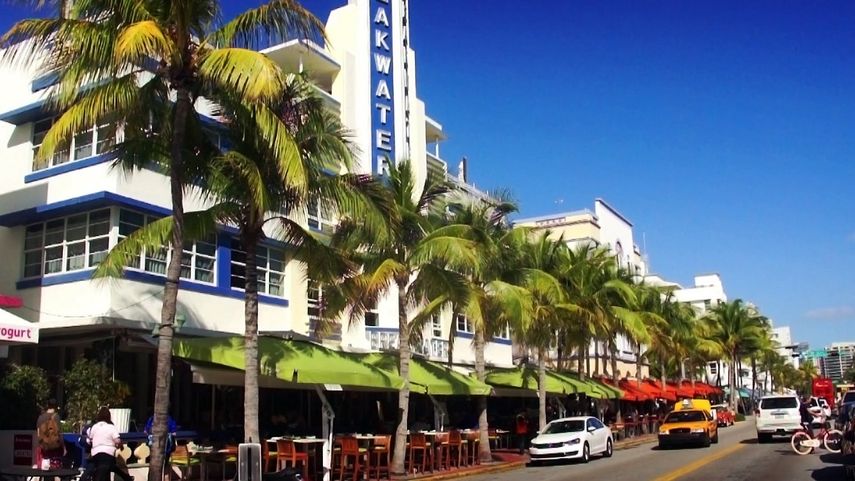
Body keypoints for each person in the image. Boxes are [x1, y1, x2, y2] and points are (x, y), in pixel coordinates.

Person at [85, 407, 133, 481]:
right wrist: (121, 447)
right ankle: (127, 478)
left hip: (96, 454)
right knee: (109, 468)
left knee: (102, 471)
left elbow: (90, 440)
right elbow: (117, 440)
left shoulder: (95, 427)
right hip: (108, 454)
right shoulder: (111, 427)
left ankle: (127, 478)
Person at [36, 399, 65, 469]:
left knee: (43, 470)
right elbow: (59, 433)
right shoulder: (56, 417)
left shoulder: (40, 417)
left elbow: (38, 433)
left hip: (44, 448)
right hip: (55, 448)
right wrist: (64, 447)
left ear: (48, 405)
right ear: (55, 406)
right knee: (56, 471)